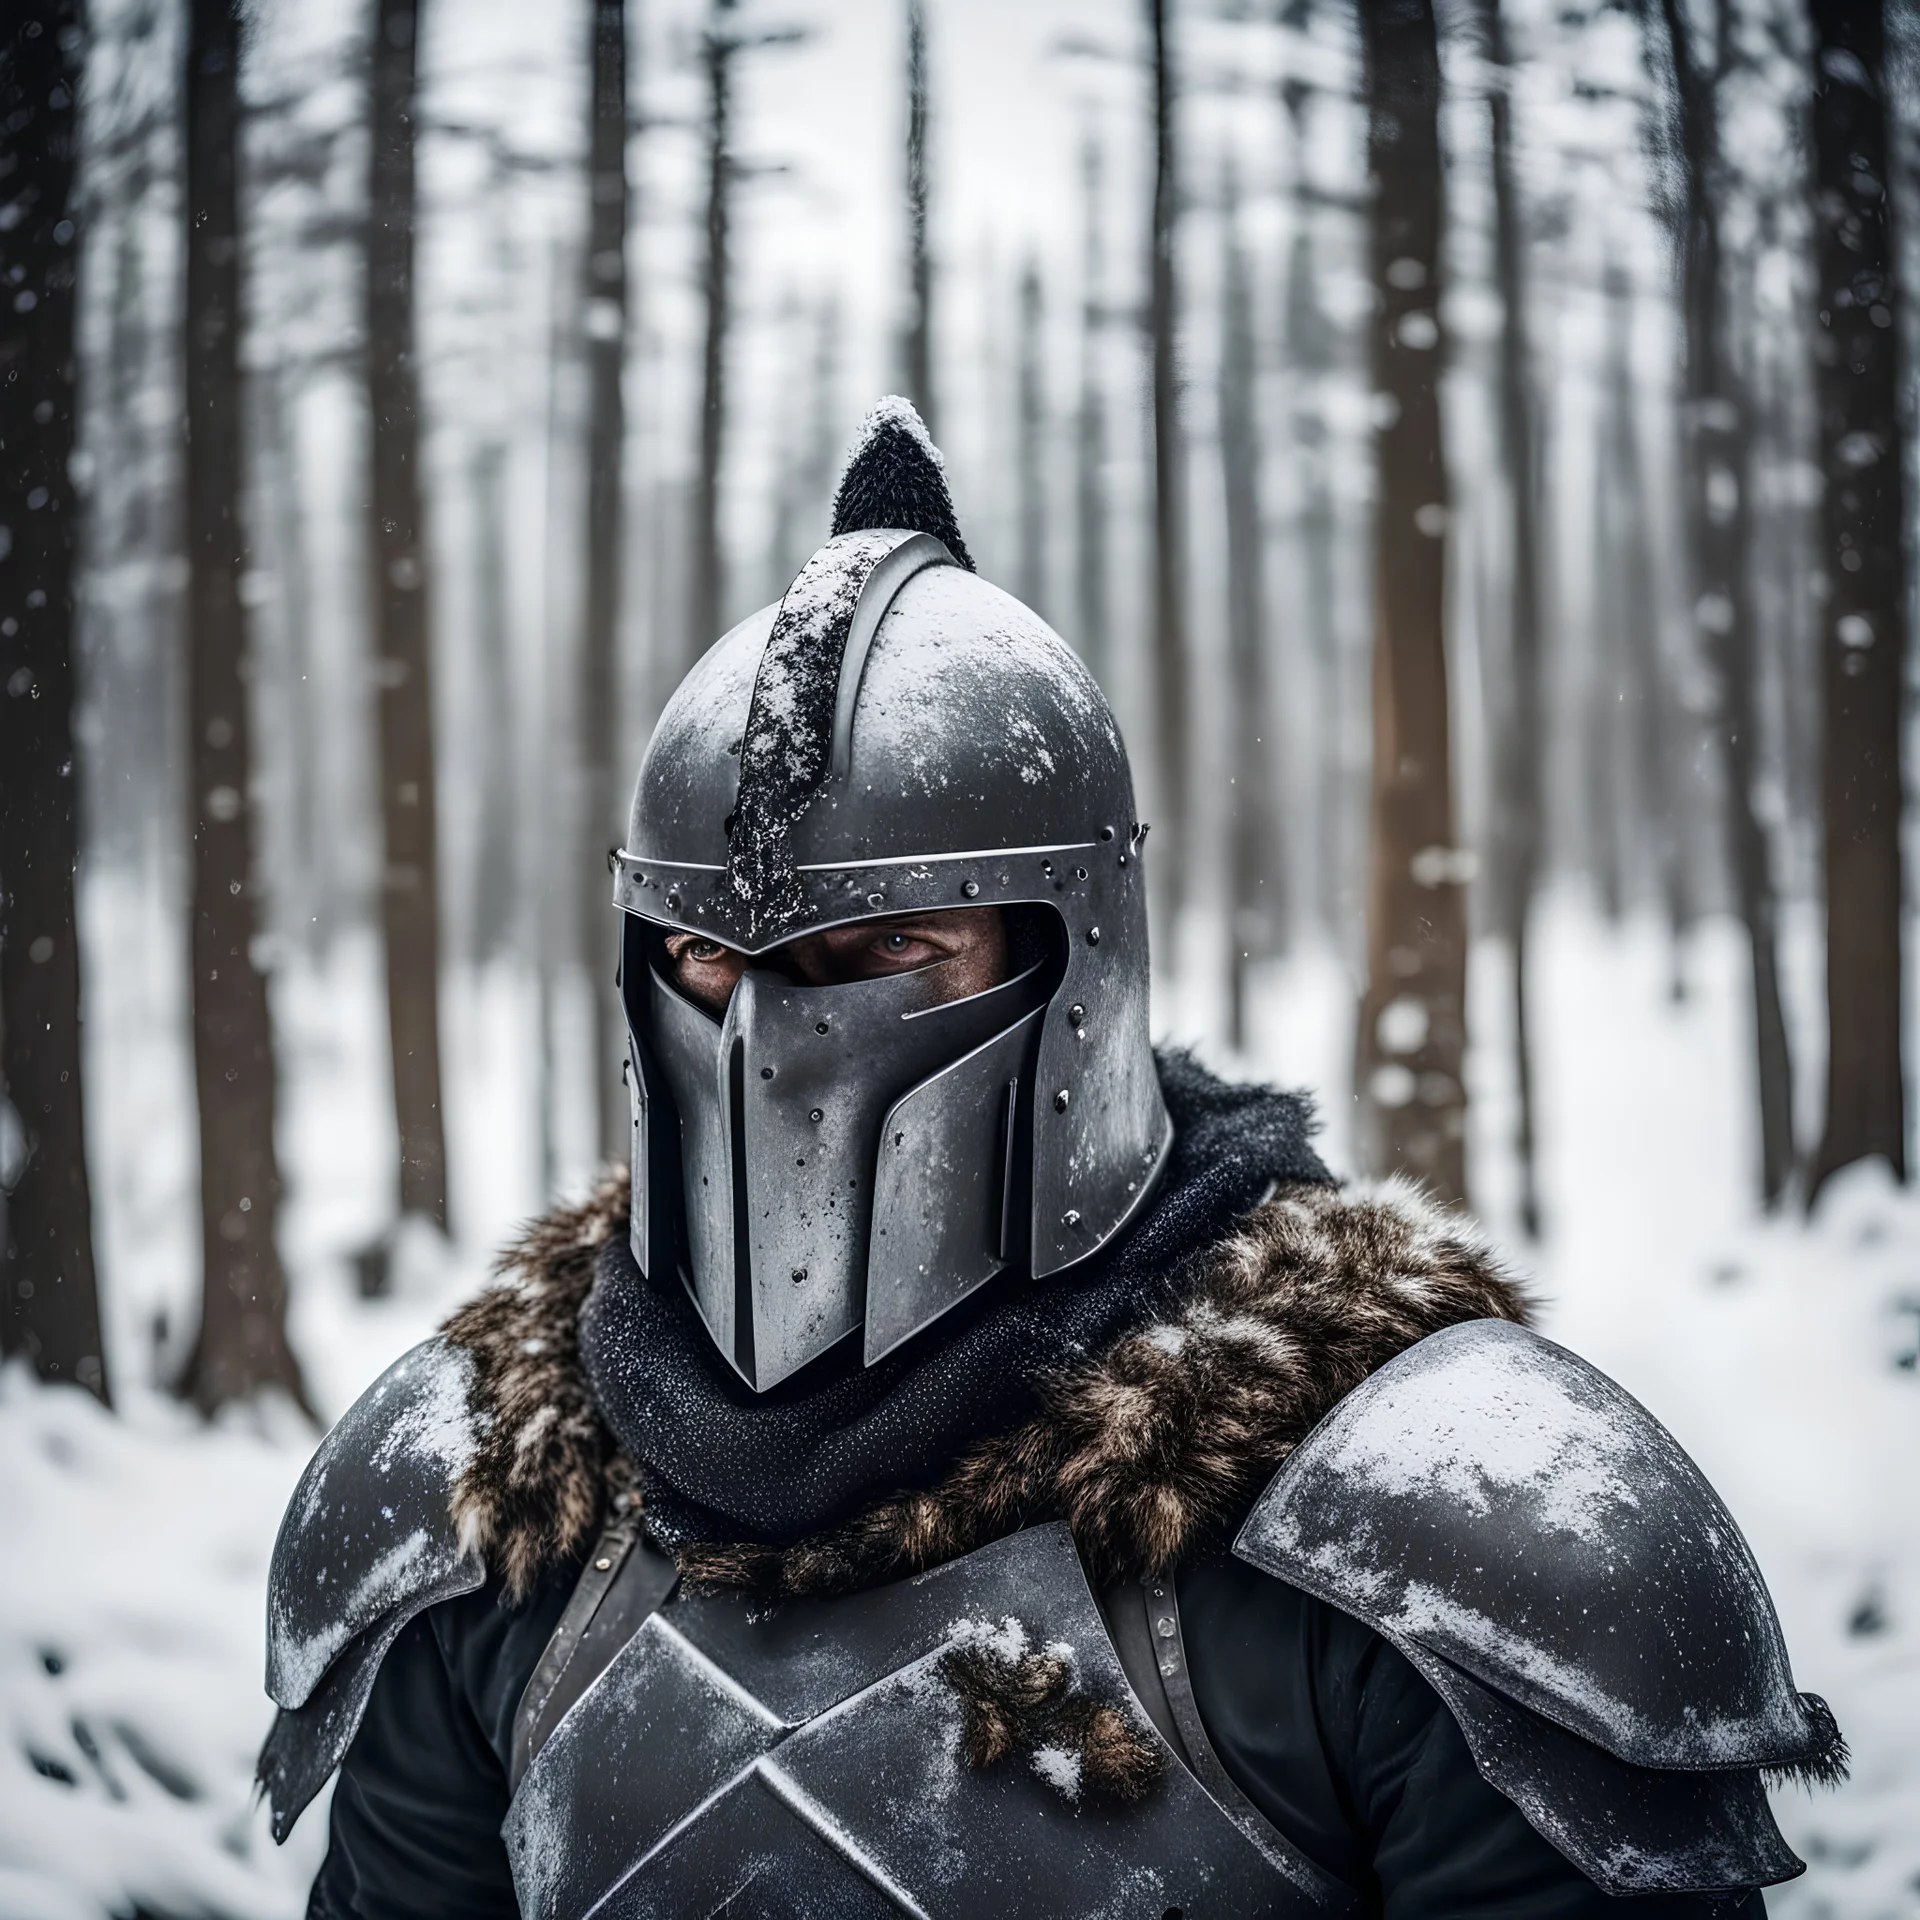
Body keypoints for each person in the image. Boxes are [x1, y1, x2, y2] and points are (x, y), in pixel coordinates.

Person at [261, 399, 1842, 1919]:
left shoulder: (1425, 1528)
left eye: (881, 945)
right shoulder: (491, 1515)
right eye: (707, 960)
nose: (767, 1044)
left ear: (1074, 952)